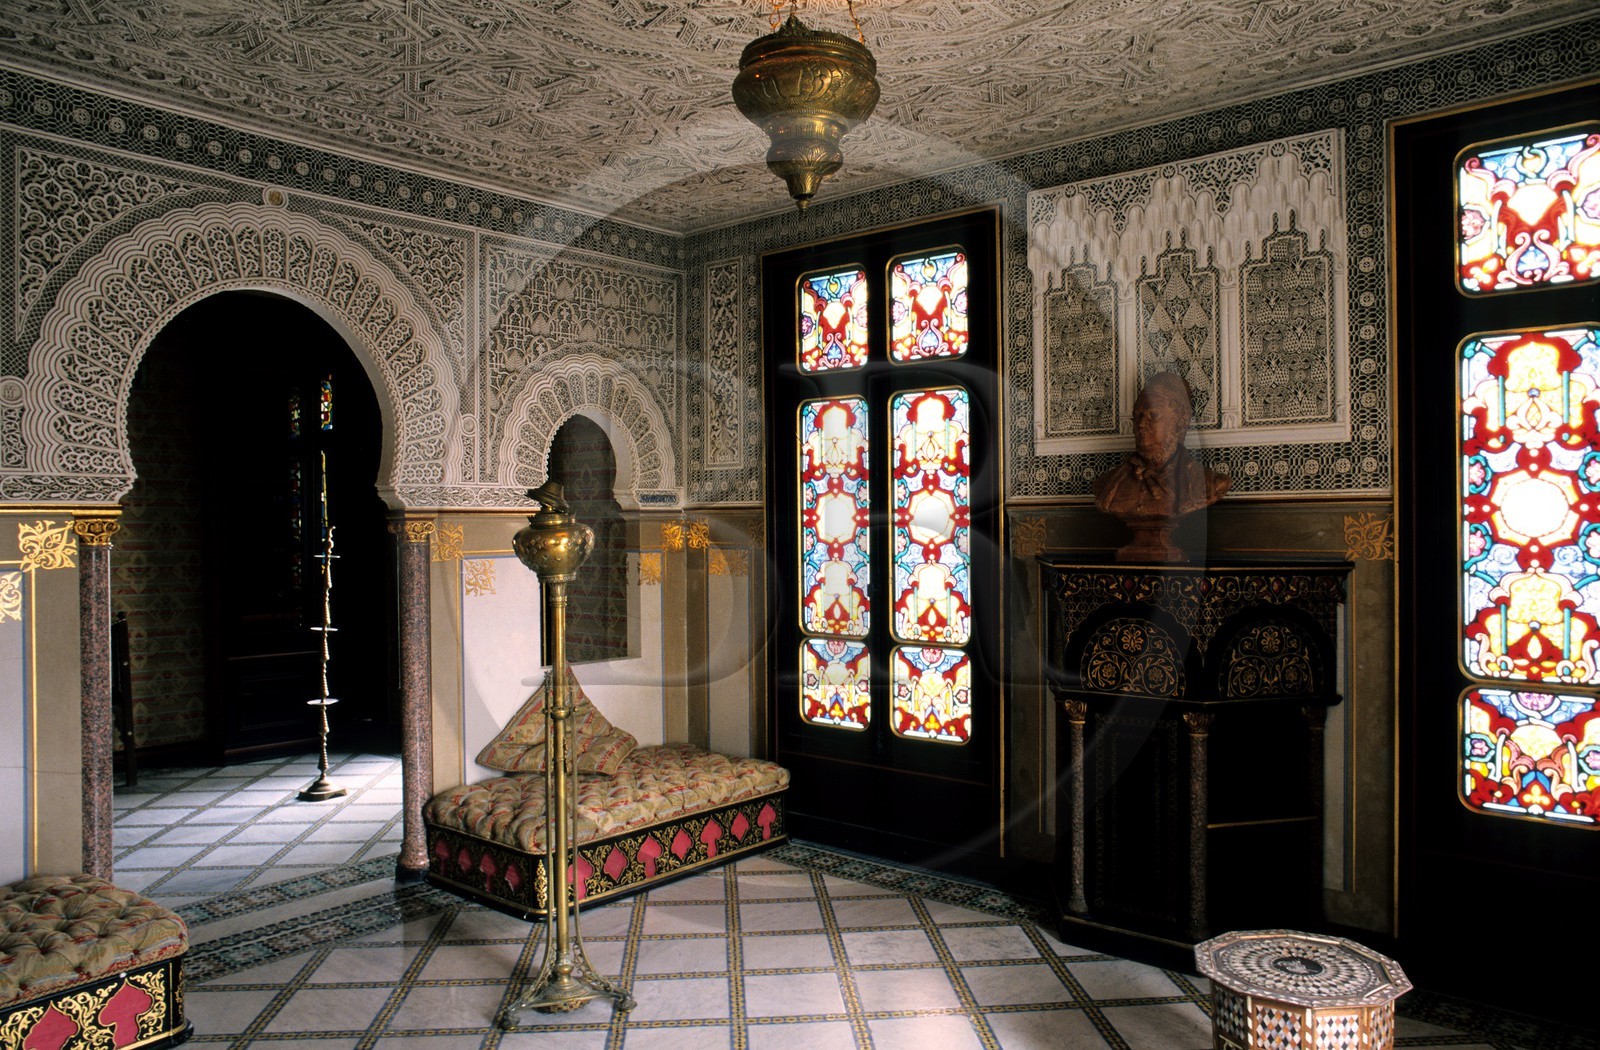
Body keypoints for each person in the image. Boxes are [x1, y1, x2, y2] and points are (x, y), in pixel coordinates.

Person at [1093, 371, 1230, 527]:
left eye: (1153, 415)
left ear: (1180, 421)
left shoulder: (1209, 484)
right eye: (1137, 416)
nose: (1141, 425)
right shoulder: (1107, 484)